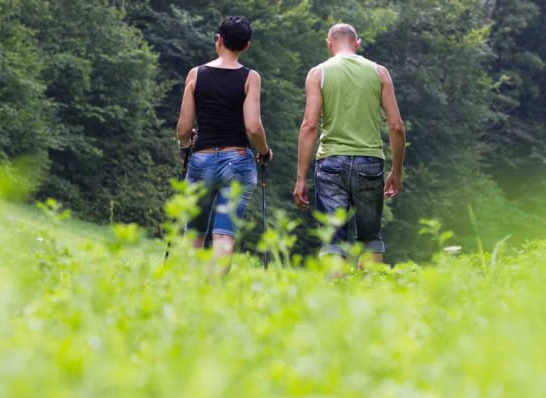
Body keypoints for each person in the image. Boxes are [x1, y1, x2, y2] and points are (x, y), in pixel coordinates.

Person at [293, 23, 406, 267]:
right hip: (370, 162)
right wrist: (396, 172)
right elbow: (396, 126)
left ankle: (335, 290)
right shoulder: (379, 73)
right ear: (357, 43)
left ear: (329, 43)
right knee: (370, 239)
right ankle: (371, 289)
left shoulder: (318, 74)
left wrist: (301, 177)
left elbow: (309, 126)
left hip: (331, 163)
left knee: (333, 242)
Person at [173, 16, 272, 265]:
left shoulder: (196, 74)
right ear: (246, 46)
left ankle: (191, 285)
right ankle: (216, 286)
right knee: (224, 234)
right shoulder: (250, 78)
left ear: (218, 40)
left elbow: (183, 128)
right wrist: (264, 151)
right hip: (237, 160)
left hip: (201, 159)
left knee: (194, 233)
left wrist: (185, 144)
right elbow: (253, 127)